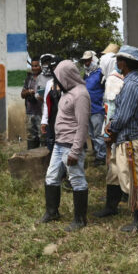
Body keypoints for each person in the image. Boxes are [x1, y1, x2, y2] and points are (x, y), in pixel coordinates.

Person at [95, 45, 138, 232]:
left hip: (128, 138)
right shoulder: (130, 82)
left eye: (119, 60)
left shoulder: (132, 85)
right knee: (115, 174)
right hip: (122, 138)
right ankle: (111, 207)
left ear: (124, 63)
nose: (117, 63)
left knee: (134, 179)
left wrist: (111, 129)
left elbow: (124, 115)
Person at [38, 60, 91, 232]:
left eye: (58, 76)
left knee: (77, 180)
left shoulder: (80, 94)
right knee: (51, 177)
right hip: (59, 144)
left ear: (66, 76)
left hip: (71, 145)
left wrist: (75, 151)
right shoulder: (66, 93)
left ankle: (80, 219)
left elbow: (83, 125)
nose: (57, 80)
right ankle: (52, 212)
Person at [81, 50, 106, 166]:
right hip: (87, 109)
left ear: (93, 59)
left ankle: (102, 156)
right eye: (85, 61)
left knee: (98, 134)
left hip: (97, 108)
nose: (86, 63)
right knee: (92, 134)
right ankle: (97, 153)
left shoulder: (100, 73)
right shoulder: (86, 74)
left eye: (88, 60)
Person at [21, 58, 43, 149]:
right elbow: (22, 94)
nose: (34, 68)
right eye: (32, 66)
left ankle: (43, 160)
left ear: (40, 66)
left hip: (41, 113)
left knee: (42, 137)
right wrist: (29, 92)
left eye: (36, 66)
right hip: (30, 112)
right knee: (30, 137)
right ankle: (31, 158)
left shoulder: (44, 78)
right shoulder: (28, 79)